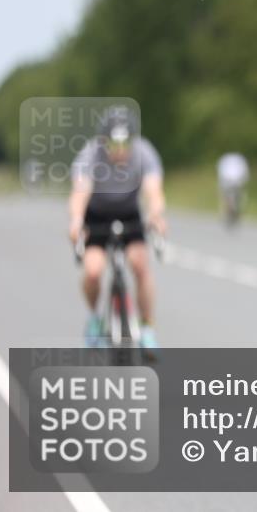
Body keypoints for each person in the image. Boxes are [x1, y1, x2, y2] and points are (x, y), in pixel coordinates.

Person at [68, 105, 167, 350]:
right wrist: (77, 220)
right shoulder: (91, 154)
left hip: (129, 213)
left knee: (140, 265)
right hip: (97, 215)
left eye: (126, 144)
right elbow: (80, 191)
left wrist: (155, 215)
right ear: (103, 141)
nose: (120, 151)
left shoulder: (144, 152)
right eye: (113, 144)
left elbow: (153, 190)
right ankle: (94, 319)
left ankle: (146, 326)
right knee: (93, 270)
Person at [216, 152, 249, 227]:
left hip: (228, 180)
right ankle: (231, 212)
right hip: (236, 181)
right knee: (237, 197)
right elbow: (245, 172)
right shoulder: (240, 159)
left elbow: (220, 171)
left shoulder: (225, 159)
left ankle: (227, 211)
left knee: (225, 196)